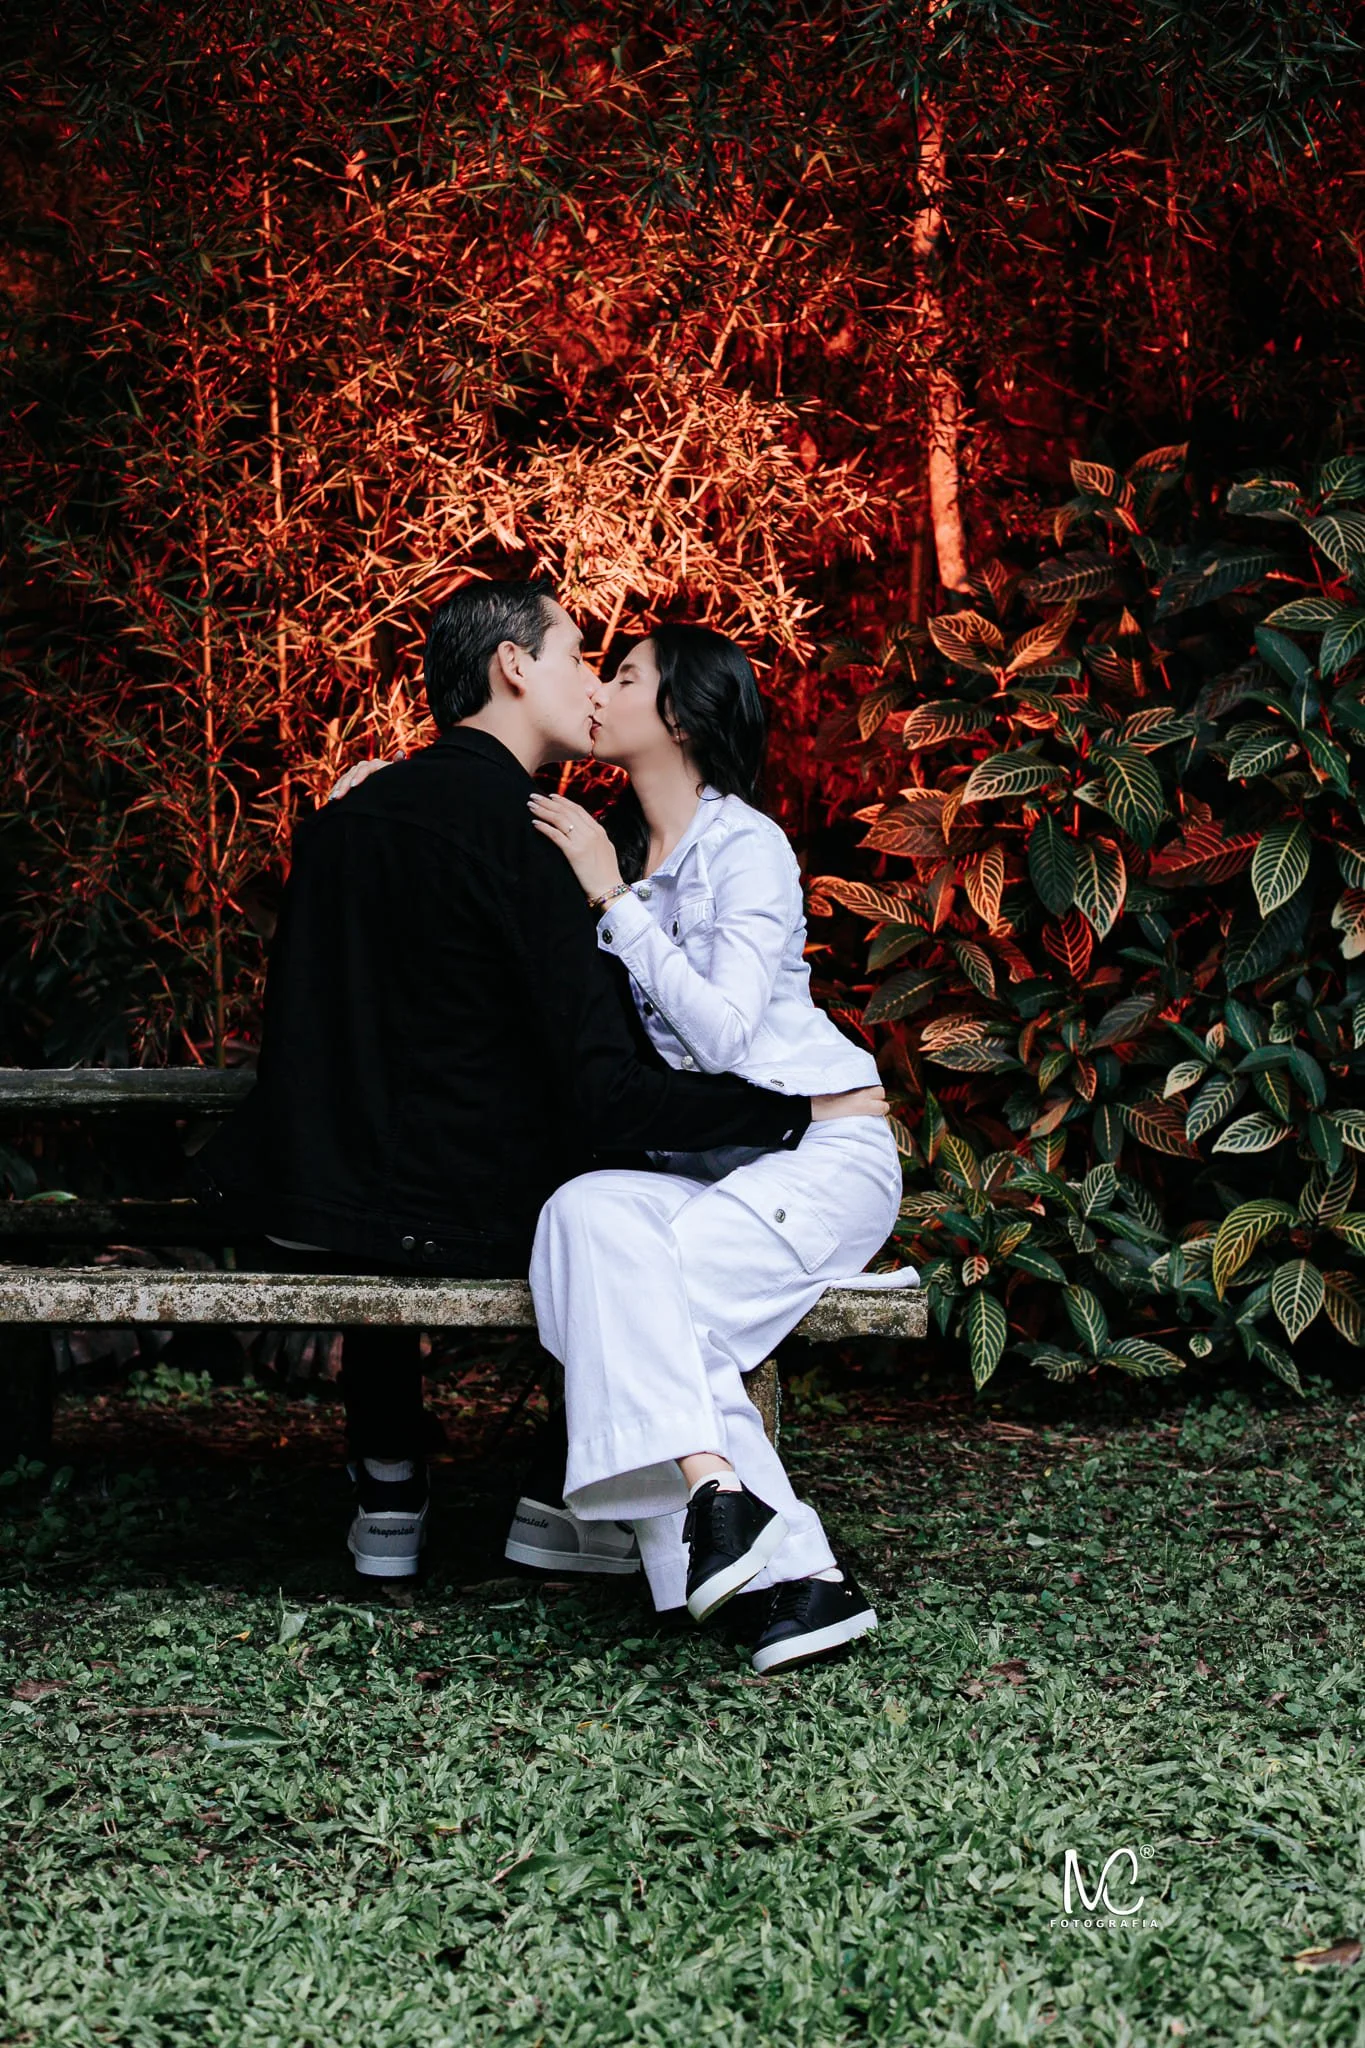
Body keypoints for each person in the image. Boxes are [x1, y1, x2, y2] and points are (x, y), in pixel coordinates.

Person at [197, 580, 882, 1581]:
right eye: (579, 657)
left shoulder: (350, 817)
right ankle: (569, 1493)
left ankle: (389, 1475)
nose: (594, 685)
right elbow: (606, 1087)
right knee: (594, 1195)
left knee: (430, 1155)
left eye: (617, 672)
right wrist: (788, 1111)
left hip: (322, 1203)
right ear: (514, 666)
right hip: (476, 1209)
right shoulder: (541, 843)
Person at [523, 624, 916, 1674]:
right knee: (579, 1218)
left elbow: (728, 1036)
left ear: (683, 716)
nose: (599, 690)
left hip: (822, 1153)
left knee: (650, 1307)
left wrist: (614, 900)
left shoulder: (744, 847)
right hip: (707, 1170)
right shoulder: (606, 840)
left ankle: (797, 1571)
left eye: (625, 675)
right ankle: (718, 1506)